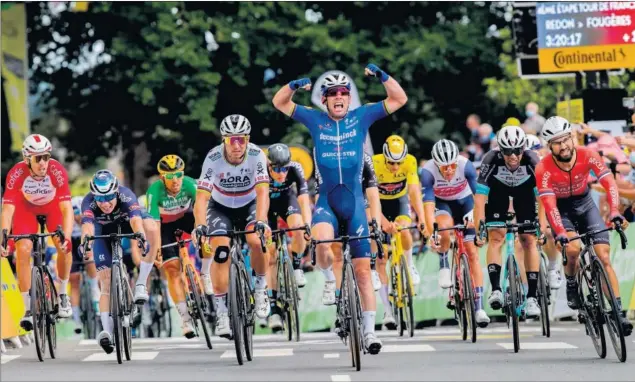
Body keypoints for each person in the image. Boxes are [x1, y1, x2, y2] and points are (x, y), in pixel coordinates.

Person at [272, 63, 408, 353]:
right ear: (324, 100)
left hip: (355, 203)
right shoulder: (315, 119)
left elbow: (399, 99)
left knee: (361, 272)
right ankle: (329, 281)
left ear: (349, 98)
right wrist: (294, 85)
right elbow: (279, 102)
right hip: (327, 202)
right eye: (332, 93)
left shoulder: (362, 116)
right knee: (321, 243)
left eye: (343, 92)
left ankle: (370, 332)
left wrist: (382, 76)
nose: (338, 97)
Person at [535, 116, 632, 336]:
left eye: (566, 139)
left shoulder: (588, 154)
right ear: (550, 146)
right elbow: (549, 205)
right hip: (562, 210)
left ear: (572, 137)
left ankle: (618, 312)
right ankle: (571, 281)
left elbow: (609, 183)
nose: (564, 145)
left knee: (604, 257)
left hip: (586, 204)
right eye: (557, 142)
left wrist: (615, 211)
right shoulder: (543, 168)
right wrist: (559, 232)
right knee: (572, 249)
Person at [193, 114, 271, 339]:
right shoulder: (213, 157)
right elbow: (201, 197)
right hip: (221, 207)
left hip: (249, 204)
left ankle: (260, 287)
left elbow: (263, 192)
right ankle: (221, 312)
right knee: (220, 251)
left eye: (241, 139)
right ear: (223, 140)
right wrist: (199, 225)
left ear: (248, 139)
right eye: (231, 140)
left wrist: (262, 220)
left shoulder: (256, 155)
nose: (237, 145)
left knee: (256, 240)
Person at [80, 170, 159, 353]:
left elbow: (136, 220)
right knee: (105, 282)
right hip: (102, 230)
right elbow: (87, 226)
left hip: (126, 222)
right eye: (100, 199)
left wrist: (140, 236)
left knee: (151, 227)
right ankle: (106, 332)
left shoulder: (126, 195)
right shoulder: (88, 201)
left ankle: (140, 284)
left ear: (115, 192)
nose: (105, 203)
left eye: (109, 197)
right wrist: (85, 242)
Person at [1, 134, 74, 330]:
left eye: (46, 157)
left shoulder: (56, 170)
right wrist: (3, 236)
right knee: (23, 249)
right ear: (27, 159)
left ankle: (63, 294)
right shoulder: (16, 173)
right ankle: (27, 308)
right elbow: (8, 210)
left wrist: (66, 237)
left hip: (52, 209)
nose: (43, 163)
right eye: (38, 158)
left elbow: (67, 209)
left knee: (64, 247)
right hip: (26, 210)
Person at [474, 126, 545, 318]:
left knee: (529, 240)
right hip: (499, 194)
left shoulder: (532, 160)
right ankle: (496, 289)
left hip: (525, 194)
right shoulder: (491, 159)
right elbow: (480, 198)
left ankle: (531, 298)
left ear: (523, 149)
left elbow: (542, 197)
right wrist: (479, 226)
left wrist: (543, 227)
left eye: (517, 151)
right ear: (500, 150)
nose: (513, 156)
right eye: (507, 151)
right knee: (496, 238)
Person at [420, 139, 490, 327]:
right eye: (445, 168)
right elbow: (427, 208)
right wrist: (431, 234)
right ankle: (444, 262)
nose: (450, 170)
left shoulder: (465, 166)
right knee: (443, 226)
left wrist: (479, 224)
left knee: (472, 252)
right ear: (436, 164)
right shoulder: (427, 172)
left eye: (452, 166)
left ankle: (480, 307)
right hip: (443, 204)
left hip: (465, 202)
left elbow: (479, 200)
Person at [146, 154, 198, 338]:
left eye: (179, 174)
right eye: (170, 177)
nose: (175, 180)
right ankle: (185, 319)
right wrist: (157, 248)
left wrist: (202, 230)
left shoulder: (190, 184)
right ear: (162, 177)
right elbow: (154, 224)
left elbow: (202, 209)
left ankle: (205, 275)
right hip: (165, 225)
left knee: (212, 239)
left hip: (187, 218)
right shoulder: (154, 190)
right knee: (172, 269)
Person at [264, 143, 312, 331]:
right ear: (269, 165)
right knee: (271, 255)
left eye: (284, 168)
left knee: (299, 228)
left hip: (286, 200)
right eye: (276, 168)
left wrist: (307, 223)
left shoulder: (295, 168)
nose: (281, 173)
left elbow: (303, 199)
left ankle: (297, 264)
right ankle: (274, 308)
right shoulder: (259, 170)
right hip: (265, 206)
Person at [69, 195, 100, 334]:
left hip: (87, 238)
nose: (79, 218)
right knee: (74, 280)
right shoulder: (70, 213)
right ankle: (76, 320)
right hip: (72, 241)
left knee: (90, 260)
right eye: (77, 215)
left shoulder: (89, 215)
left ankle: (94, 291)